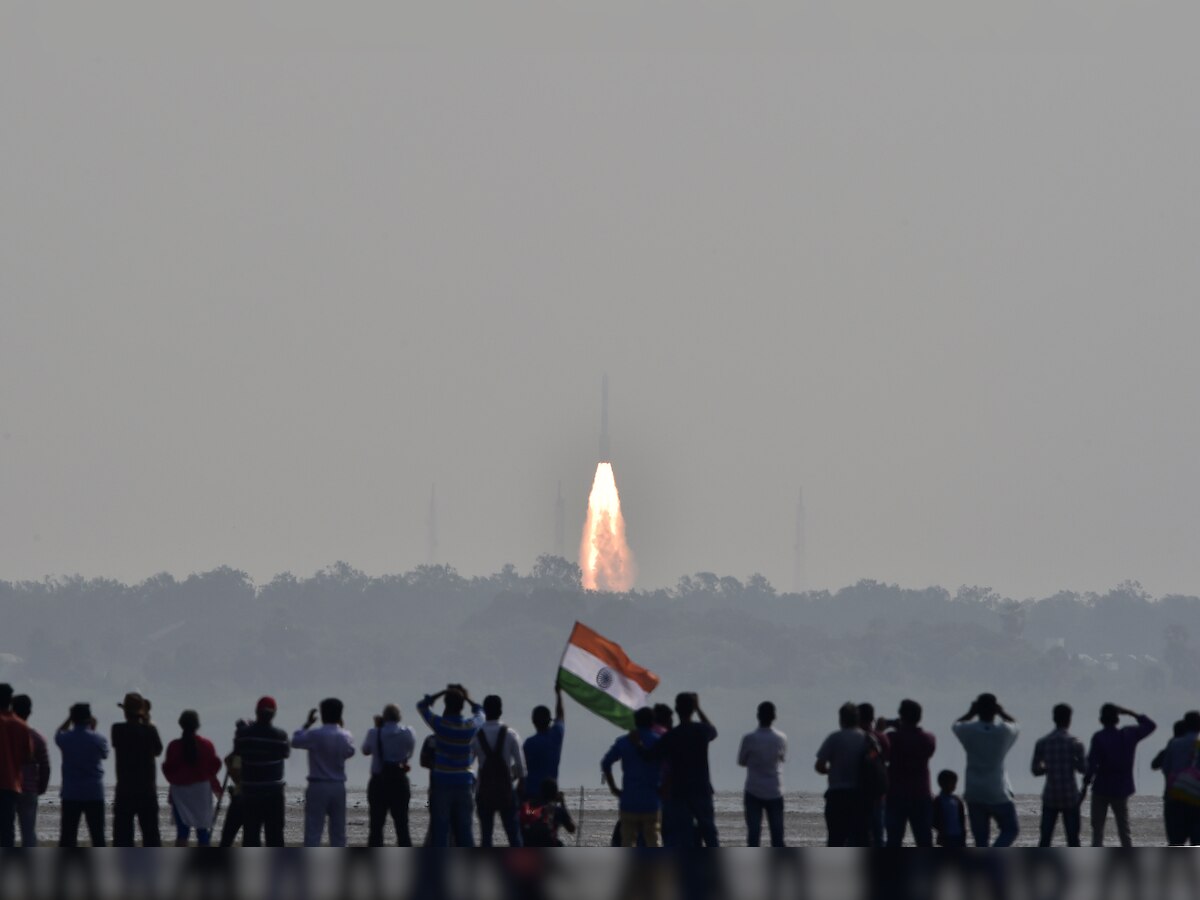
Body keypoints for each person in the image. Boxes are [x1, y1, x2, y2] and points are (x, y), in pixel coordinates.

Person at [638, 692, 719, 847]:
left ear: (676, 709)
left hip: (679, 792)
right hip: (701, 788)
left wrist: (637, 741)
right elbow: (713, 731)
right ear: (692, 709)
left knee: (684, 835)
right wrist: (699, 708)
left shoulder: (672, 736)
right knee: (709, 832)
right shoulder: (701, 731)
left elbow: (650, 755)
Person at [418, 684, 485, 847]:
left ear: (446, 704)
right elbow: (481, 712)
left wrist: (440, 693)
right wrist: (466, 698)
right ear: (462, 706)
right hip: (464, 783)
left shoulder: (440, 725)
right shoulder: (470, 727)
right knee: (465, 832)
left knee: (441, 832)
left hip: (442, 782)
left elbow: (421, 706)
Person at [951, 693, 1020, 847]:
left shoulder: (969, 730)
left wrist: (971, 713)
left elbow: (956, 725)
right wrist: (1001, 712)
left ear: (978, 709)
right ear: (994, 710)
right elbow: (1015, 724)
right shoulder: (1003, 732)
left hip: (974, 791)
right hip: (997, 790)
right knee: (1011, 829)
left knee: (981, 840)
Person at [1084, 703, 1156, 847]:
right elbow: (1151, 726)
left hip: (1101, 788)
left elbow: (1091, 765)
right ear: (1117, 719)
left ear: (1102, 720)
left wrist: (1085, 783)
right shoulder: (1128, 735)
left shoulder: (1099, 737)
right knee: (1124, 830)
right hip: (1121, 789)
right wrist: (1130, 712)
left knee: (1097, 831)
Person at [291, 697, 356, 847]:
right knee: (338, 833)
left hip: (317, 785)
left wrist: (307, 725)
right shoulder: (345, 735)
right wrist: (342, 727)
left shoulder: (315, 735)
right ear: (340, 715)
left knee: (313, 832)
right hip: (338, 786)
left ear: (322, 714)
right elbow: (350, 751)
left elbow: (295, 740)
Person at [601, 706, 663, 848]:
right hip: (651, 801)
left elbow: (606, 763)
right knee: (653, 841)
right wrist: (664, 788)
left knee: (627, 842)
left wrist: (614, 789)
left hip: (629, 801)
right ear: (653, 722)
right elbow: (670, 765)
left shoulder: (624, 742)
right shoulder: (658, 741)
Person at [233, 696, 290, 847]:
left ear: (256, 711)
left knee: (251, 835)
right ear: (274, 714)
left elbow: (237, 751)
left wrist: (242, 730)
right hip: (274, 793)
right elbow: (286, 753)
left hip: (251, 792)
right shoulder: (280, 736)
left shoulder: (244, 735)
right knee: (275, 836)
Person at [878, 699, 936, 847]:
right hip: (921, 794)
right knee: (924, 840)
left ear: (901, 716)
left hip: (896, 793)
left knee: (894, 839)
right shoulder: (928, 739)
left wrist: (880, 731)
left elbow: (880, 754)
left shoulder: (891, 738)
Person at [472, 694, 526, 847]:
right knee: (514, 836)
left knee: (486, 837)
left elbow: (468, 761)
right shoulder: (510, 734)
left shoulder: (477, 736)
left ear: (485, 711)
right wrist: (520, 783)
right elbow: (521, 766)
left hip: (484, 791)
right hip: (506, 791)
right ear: (500, 711)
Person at [162, 710, 222, 846]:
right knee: (202, 831)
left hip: (180, 792)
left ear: (181, 724)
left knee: (182, 833)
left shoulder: (174, 746)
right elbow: (214, 767)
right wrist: (216, 788)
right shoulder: (207, 745)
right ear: (197, 725)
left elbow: (168, 770)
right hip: (201, 791)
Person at [111, 691, 163, 846]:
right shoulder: (149, 731)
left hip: (125, 790)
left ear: (125, 712)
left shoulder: (117, 729)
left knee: (122, 837)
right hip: (147, 790)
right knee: (151, 836)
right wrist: (146, 720)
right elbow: (158, 750)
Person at [1030, 703, 1086, 847]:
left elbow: (1035, 770)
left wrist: (1047, 767)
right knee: (1073, 840)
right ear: (1069, 719)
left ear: (1054, 718)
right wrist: (1073, 763)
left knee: (1045, 839)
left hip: (1051, 796)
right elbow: (1084, 769)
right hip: (1070, 796)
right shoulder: (1076, 743)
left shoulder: (1043, 743)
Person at [815, 702, 869, 847]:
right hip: (859, 796)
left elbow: (819, 766)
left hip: (837, 795)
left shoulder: (834, 738)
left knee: (835, 838)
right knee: (859, 839)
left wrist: (831, 771)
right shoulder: (866, 739)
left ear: (841, 719)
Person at [362, 703, 415, 846]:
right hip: (399, 781)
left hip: (379, 781)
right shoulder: (407, 732)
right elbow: (410, 752)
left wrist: (378, 727)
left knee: (376, 827)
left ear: (384, 717)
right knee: (402, 825)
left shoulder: (374, 733)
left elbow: (365, 750)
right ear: (399, 717)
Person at [56, 703, 108, 847]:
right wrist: (93, 729)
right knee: (98, 835)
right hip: (94, 792)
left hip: (71, 792)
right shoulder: (98, 738)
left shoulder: (66, 738)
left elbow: (58, 733)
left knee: (68, 836)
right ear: (89, 718)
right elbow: (104, 754)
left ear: (73, 718)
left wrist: (69, 719)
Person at [738, 700, 787, 847]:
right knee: (777, 835)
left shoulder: (749, 738)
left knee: (753, 834)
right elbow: (782, 758)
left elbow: (741, 761)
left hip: (754, 789)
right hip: (775, 790)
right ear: (774, 716)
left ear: (758, 716)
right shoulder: (781, 738)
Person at [11, 694, 48, 848]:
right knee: (29, 832)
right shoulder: (36, 737)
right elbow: (45, 765)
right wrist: (42, 786)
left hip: (9, 788)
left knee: (7, 830)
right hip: (30, 789)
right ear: (29, 712)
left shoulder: (6, 734)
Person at [0, 684, 33, 848]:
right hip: (10, 784)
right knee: (7, 831)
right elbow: (27, 757)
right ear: (10, 701)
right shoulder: (20, 725)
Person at [1160, 710, 1200, 846]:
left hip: (1175, 800)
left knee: (1175, 844)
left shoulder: (1174, 744)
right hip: (1196, 801)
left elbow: (1166, 769)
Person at [523, 685, 565, 803]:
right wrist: (559, 694)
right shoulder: (556, 735)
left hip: (532, 799)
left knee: (526, 815)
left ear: (533, 721)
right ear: (549, 720)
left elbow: (521, 769)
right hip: (550, 798)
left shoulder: (529, 743)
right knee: (557, 816)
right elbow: (560, 716)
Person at [858, 703, 889, 847]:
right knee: (878, 836)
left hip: (858, 793)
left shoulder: (855, 737)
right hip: (878, 795)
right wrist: (880, 731)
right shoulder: (880, 738)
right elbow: (887, 758)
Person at [519, 777, 576, 847]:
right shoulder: (558, 811)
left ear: (541, 792)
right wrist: (562, 803)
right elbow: (571, 829)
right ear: (555, 794)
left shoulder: (532, 809)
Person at [931, 770, 967, 848]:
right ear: (942, 783)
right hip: (946, 837)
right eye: (952, 783)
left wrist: (963, 834)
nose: (954, 786)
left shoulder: (957, 800)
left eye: (955, 783)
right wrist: (941, 830)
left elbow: (961, 819)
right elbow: (933, 819)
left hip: (958, 836)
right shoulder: (938, 800)